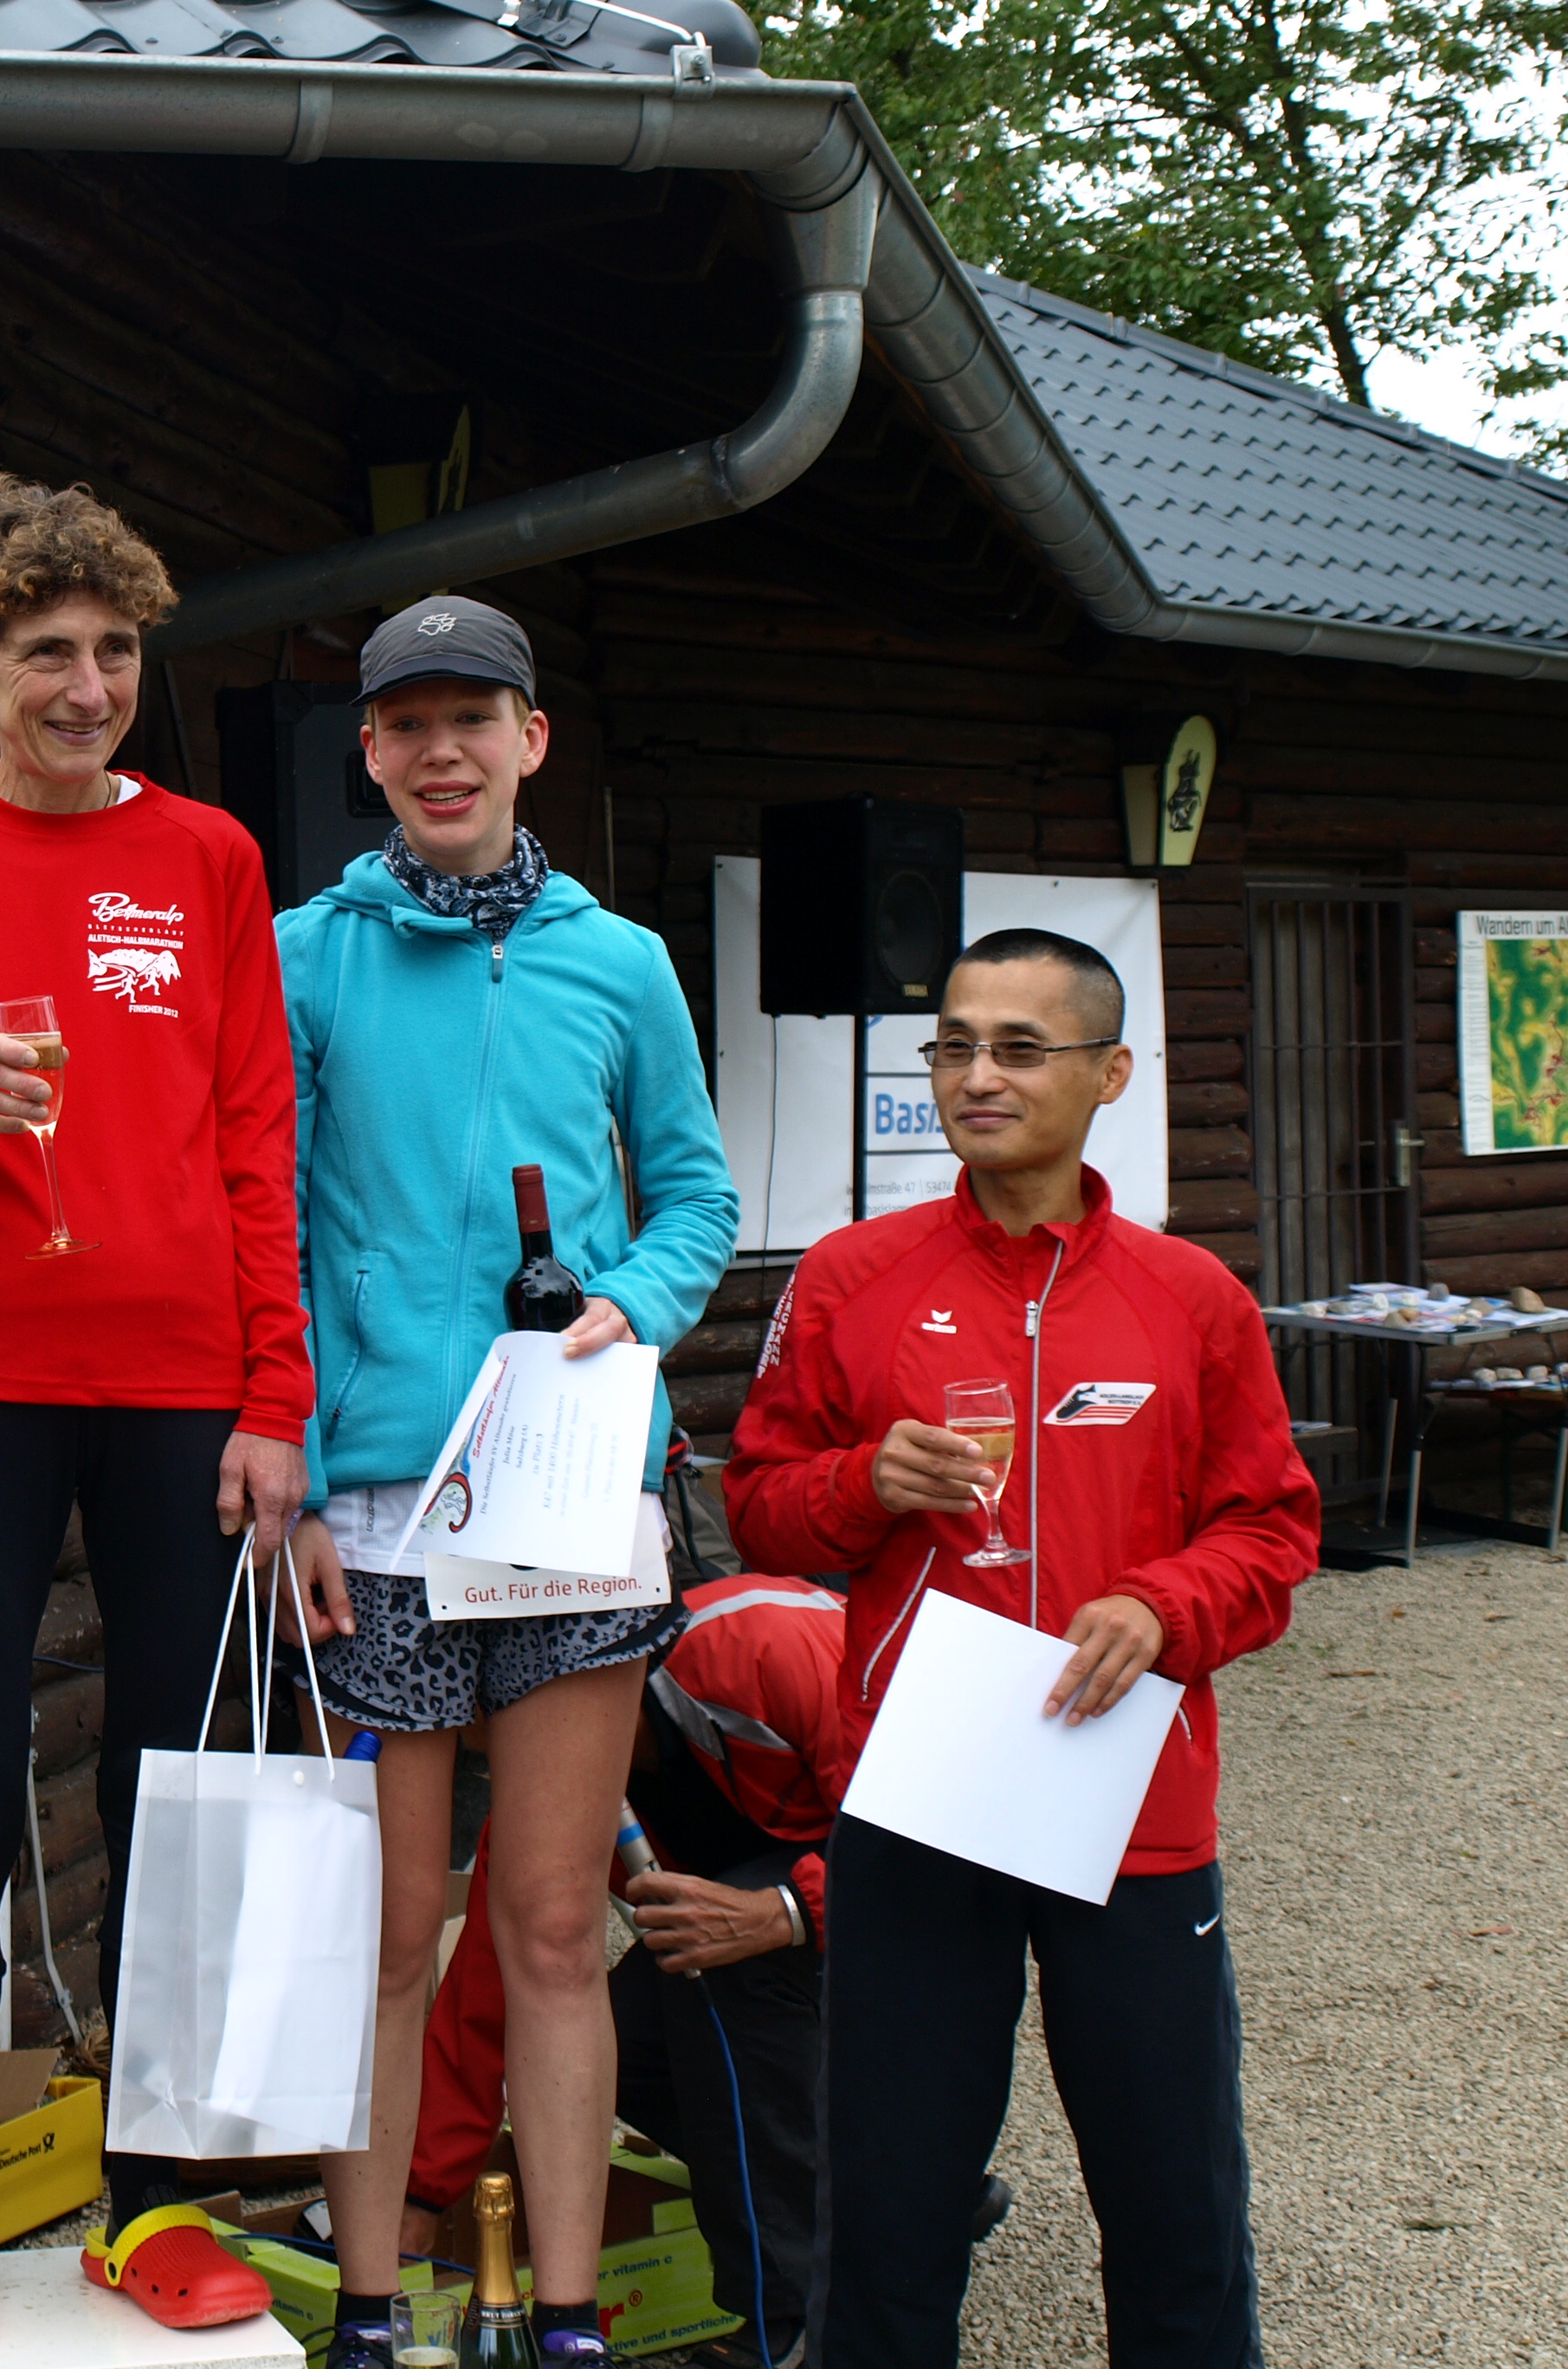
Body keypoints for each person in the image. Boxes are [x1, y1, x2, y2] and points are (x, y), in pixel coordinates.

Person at [0, 473, 307, 2346]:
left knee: (170, 1806)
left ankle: (154, 2203)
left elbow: (258, 1138)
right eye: (46, 654)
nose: (87, 685)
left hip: (186, 1387)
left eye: (113, 652)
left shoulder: (210, 860)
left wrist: (277, 1393)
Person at [726, 926, 1318, 2368]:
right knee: (891, 2207)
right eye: (951, 1044)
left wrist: (1163, 1606)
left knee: (1175, 2205)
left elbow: (1272, 1533)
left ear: (1109, 1072)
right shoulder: (849, 1278)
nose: (974, 1075)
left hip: (1133, 1809)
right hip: (919, 1798)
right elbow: (756, 1508)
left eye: (1015, 1046)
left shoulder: (1193, 1302)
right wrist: (864, 1484)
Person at [273, 594, 739, 2369]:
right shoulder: (304, 950)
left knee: (550, 1924)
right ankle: (378, 2301)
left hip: (567, 1496)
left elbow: (695, 1192)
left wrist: (627, 1304)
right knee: (388, 1937)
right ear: (371, 754)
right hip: (381, 1505)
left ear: (533, 739)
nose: (443, 751)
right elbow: (278, 1232)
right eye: (408, 725)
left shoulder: (618, 962)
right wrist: (305, 1476)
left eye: (476, 718)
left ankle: (561, 2320)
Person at [407, 1572, 862, 2369]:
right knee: (625, 2056)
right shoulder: (554, 1787)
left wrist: (784, 1912)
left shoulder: (761, 1651)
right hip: (794, 1941)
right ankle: (877, 2204)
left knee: (712, 1966)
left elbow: (927, 1838)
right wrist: (416, 2198)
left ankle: (789, 2329)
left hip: (893, 1939)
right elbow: (488, 1997)